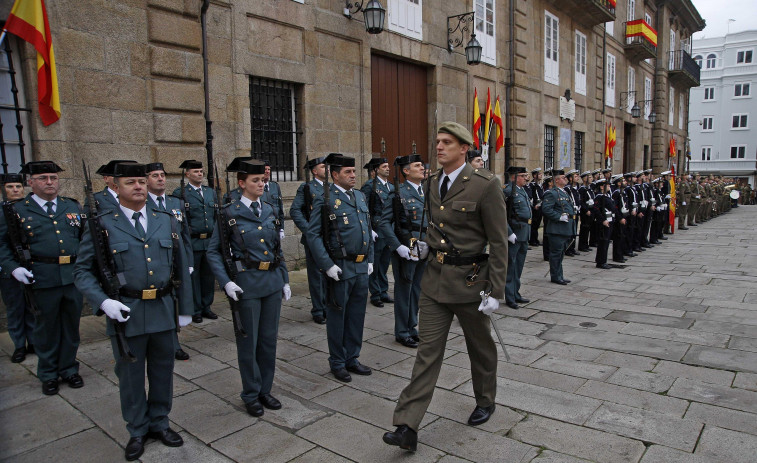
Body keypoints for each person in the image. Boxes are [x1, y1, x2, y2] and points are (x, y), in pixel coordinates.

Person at [383, 122, 508, 451]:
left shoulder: (486, 184)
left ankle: (485, 400)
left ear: (464, 148)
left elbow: (498, 241)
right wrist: (426, 246)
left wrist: (496, 291)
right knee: (427, 354)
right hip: (435, 281)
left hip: (470, 283)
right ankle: (407, 425)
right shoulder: (432, 183)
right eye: (437, 141)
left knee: (480, 349)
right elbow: (434, 226)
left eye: (447, 143)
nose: (439, 148)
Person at [74, 163, 192, 461]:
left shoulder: (165, 219)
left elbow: (181, 265)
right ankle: (137, 429)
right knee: (130, 375)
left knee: (163, 371)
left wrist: (185, 308)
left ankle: (160, 422)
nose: (139, 187)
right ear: (116, 187)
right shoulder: (102, 223)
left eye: (141, 181)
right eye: (131, 182)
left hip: (163, 308)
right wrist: (103, 302)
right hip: (126, 310)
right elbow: (83, 271)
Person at [206, 160, 291, 417]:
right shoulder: (228, 213)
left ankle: (265, 389)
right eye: (255, 181)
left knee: (268, 341)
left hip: (272, 283)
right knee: (249, 342)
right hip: (247, 285)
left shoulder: (269, 209)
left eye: (263, 181)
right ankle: (251, 393)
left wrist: (285, 279)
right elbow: (213, 252)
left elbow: (277, 249)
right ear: (242, 184)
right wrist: (227, 281)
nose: (261, 185)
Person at [0, 161, 84, 395]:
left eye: (53, 178)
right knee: (45, 329)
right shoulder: (17, 210)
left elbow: (85, 240)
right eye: (43, 178)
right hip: (41, 278)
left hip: (72, 277)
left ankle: (69, 368)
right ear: (30, 182)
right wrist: (12, 267)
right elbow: (2, 244)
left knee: (71, 327)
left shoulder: (72, 206)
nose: (50, 182)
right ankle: (48, 373)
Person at [307, 153, 374, 383]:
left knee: (356, 316)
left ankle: (352, 357)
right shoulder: (325, 198)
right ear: (335, 175)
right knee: (338, 316)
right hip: (341, 267)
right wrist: (327, 265)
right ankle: (337, 361)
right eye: (348, 172)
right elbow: (313, 235)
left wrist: (371, 259)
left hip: (361, 266)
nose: (353, 175)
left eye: (354, 171)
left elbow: (367, 229)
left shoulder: (359, 196)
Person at [145, 162, 194, 361]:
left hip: (176, 261)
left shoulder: (176, 203)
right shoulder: (142, 203)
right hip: (156, 262)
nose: (160, 179)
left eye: (162, 175)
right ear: (146, 180)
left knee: (174, 302)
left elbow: (185, 234)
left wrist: (188, 261)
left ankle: (174, 344)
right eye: (155, 175)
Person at [378, 154, 427, 348]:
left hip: (424, 246)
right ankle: (402, 331)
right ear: (406, 171)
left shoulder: (425, 192)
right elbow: (384, 223)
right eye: (417, 165)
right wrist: (397, 246)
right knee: (404, 289)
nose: (422, 168)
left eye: (422, 165)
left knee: (416, 290)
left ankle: (412, 327)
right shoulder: (398, 193)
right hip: (407, 246)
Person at [173, 160, 218, 323]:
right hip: (193, 242)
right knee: (194, 277)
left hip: (209, 242)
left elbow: (215, 216)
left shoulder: (210, 192)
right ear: (187, 174)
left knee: (208, 276)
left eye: (201, 171)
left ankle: (207, 306)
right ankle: (196, 309)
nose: (199, 174)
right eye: (196, 171)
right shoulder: (181, 193)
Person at [0, 173, 35, 363]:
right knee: (15, 308)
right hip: (9, 269)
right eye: (10, 187)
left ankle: (34, 342)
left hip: (31, 265)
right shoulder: (1, 211)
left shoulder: (29, 209)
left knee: (33, 306)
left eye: (18, 187)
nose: (15, 190)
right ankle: (19, 345)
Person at [289, 156, 328, 324]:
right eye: (322, 166)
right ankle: (318, 309)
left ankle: (329, 305)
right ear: (314, 171)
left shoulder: (332, 188)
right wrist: (309, 231)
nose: (326, 169)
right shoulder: (306, 188)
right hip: (314, 238)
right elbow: (295, 211)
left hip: (330, 237)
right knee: (316, 275)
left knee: (330, 273)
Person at [361, 157, 394, 308]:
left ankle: (383, 291)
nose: (388, 169)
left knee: (385, 262)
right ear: (376, 170)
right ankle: (375, 293)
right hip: (377, 228)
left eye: (388, 166)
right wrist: (370, 229)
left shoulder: (391, 187)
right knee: (375, 262)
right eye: (384, 166)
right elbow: (364, 208)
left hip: (389, 230)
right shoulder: (369, 186)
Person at [503, 166, 531, 310]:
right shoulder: (508, 191)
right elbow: (502, 215)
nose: (526, 178)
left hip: (524, 232)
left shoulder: (521, 190)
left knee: (519, 266)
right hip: (514, 233)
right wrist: (508, 232)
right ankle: (509, 296)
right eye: (523, 175)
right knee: (511, 266)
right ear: (514, 177)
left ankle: (516, 293)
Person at [542, 169, 574, 285]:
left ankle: (559, 274)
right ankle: (555, 276)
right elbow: (546, 209)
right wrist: (559, 217)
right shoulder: (552, 193)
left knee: (560, 253)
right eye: (563, 177)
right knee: (556, 253)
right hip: (557, 229)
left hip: (565, 228)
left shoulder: (564, 192)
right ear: (556, 180)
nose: (565, 179)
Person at [591, 178, 615, 269]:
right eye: (607, 185)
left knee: (606, 241)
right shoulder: (599, 197)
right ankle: (600, 262)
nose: (609, 187)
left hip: (609, 220)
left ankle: (603, 260)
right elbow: (596, 210)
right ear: (601, 187)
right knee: (603, 242)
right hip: (603, 222)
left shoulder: (607, 195)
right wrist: (602, 220)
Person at [261, 161, 285, 238]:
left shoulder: (275, 186)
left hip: (275, 226)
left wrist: (281, 228)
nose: (267, 171)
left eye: (269, 169)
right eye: (265, 169)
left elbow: (280, 208)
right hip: (263, 226)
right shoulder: (257, 187)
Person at [563, 170, 581, 257]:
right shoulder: (567, 188)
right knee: (570, 231)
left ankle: (572, 248)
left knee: (574, 230)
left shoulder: (576, 187)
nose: (577, 178)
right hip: (570, 212)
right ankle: (568, 249)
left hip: (576, 211)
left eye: (578, 176)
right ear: (570, 178)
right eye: (575, 176)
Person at [577, 171, 595, 252]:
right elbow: (581, 201)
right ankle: (582, 245)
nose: (591, 179)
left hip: (591, 210)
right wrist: (586, 210)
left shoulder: (589, 188)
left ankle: (586, 244)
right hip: (585, 211)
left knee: (588, 228)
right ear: (584, 179)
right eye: (589, 177)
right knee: (584, 228)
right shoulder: (582, 189)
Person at [528, 168, 544, 247]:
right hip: (535, 207)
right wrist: (534, 204)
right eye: (539, 174)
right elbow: (531, 196)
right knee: (534, 224)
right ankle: (532, 240)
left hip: (540, 206)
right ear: (535, 175)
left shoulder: (540, 185)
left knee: (537, 224)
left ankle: (535, 239)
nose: (541, 175)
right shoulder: (532, 185)